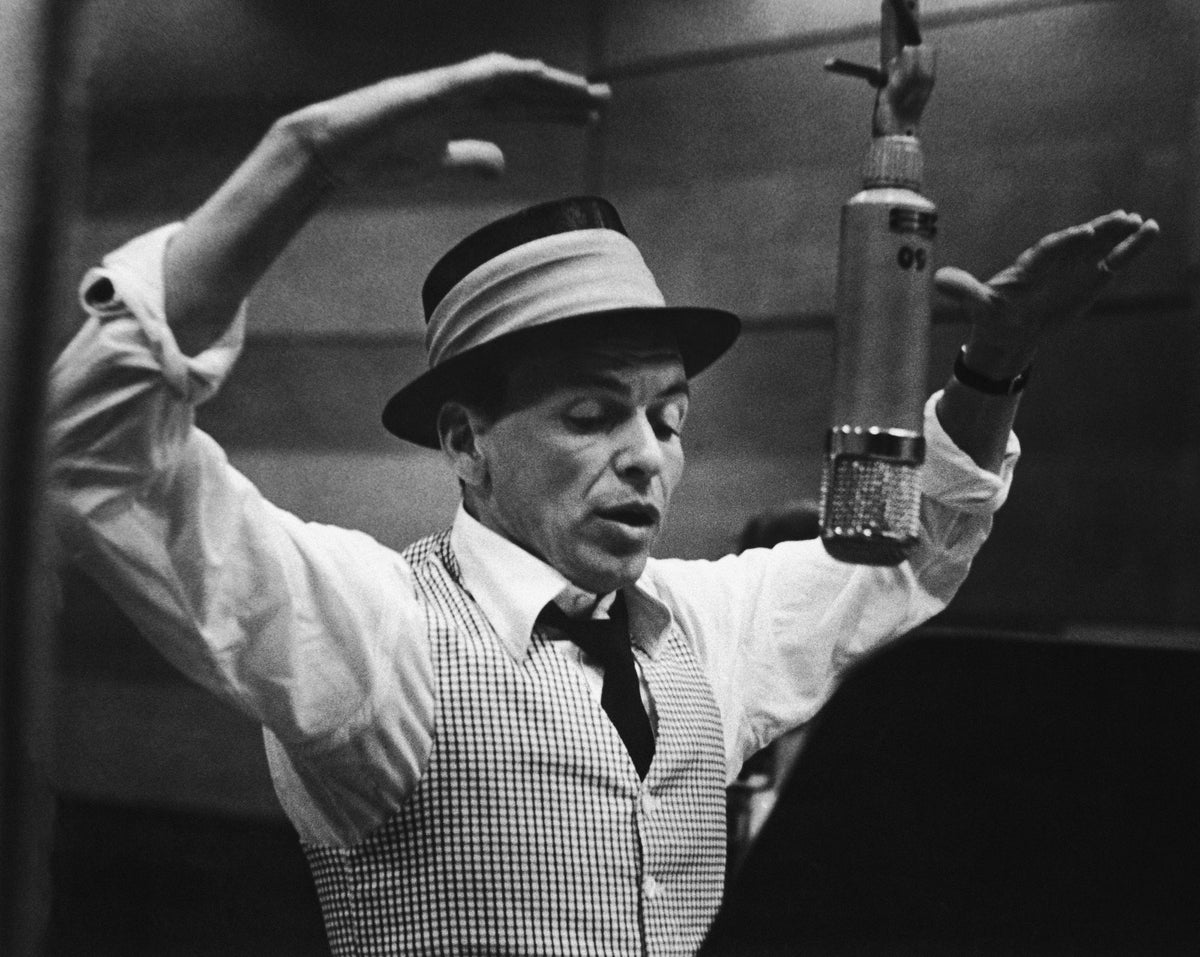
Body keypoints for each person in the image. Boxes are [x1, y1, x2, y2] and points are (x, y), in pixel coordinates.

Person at [45, 53, 1158, 956]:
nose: (647, 459)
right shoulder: (377, 633)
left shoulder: (702, 628)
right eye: (591, 417)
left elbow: (901, 552)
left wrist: (991, 374)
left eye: (669, 421)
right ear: (465, 440)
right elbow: (91, 457)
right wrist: (302, 160)